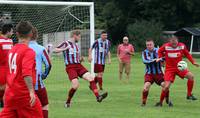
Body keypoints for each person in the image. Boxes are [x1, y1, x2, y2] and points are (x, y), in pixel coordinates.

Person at [54, 30, 108, 108]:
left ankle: (98, 97)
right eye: (79, 36)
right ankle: (68, 102)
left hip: (79, 65)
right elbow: (55, 50)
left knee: (91, 78)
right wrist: (64, 49)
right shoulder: (66, 43)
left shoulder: (76, 45)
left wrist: (80, 59)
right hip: (70, 67)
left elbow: (77, 57)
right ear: (75, 35)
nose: (79, 38)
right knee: (75, 85)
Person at [0, 21, 43, 117]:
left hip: (10, 95)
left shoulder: (12, 49)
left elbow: (9, 72)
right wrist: (31, 91)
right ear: (31, 34)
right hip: (23, 95)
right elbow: (26, 73)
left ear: (17, 33)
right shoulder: (28, 51)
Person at [155, 36, 200, 106]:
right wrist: (161, 59)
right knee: (166, 87)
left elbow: (187, 54)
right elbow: (159, 51)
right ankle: (160, 102)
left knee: (191, 77)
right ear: (169, 42)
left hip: (179, 68)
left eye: (175, 43)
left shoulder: (182, 46)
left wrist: (193, 62)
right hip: (169, 69)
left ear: (177, 41)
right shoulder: (165, 46)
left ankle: (189, 95)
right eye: (172, 43)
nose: (174, 45)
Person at [141, 39, 172, 106]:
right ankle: (143, 102)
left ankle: (167, 99)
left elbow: (166, 57)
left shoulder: (159, 50)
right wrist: (156, 60)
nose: (149, 46)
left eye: (150, 44)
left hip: (159, 74)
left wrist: (161, 59)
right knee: (145, 87)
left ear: (153, 44)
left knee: (165, 86)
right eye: (147, 45)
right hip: (149, 74)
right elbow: (145, 61)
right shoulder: (144, 52)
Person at [29, 27, 51, 118]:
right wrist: (44, 75)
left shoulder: (21, 47)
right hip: (37, 83)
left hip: (22, 85)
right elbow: (48, 64)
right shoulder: (41, 49)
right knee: (44, 105)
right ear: (37, 36)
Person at [0, 24, 13, 108]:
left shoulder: (10, 41)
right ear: (8, 31)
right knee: (2, 87)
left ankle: (3, 101)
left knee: (7, 86)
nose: (13, 32)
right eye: (12, 31)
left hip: (9, 68)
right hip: (1, 67)